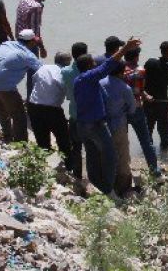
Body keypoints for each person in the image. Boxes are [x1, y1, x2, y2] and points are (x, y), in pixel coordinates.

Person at [73, 37, 140, 196]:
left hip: (82, 124)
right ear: (89, 66)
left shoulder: (79, 80)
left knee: (93, 157)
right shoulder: (89, 77)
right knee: (111, 157)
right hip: (95, 124)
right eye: (93, 63)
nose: (96, 64)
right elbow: (108, 65)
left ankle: (96, 187)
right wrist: (125, 48)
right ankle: (108, 190)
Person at [0, 29, 43, 143]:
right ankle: (21, 144)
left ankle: (7, 137)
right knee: (19, 115)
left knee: (1, 109)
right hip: (4, 88)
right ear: (32, 42)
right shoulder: (27, 55)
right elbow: (42, 71)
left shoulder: (5, 44)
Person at [121, 47, 162, 175]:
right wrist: (146, 96)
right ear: (135, 57)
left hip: (121, 110)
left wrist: (144, 94)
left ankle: (124, 167)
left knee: (123, 140)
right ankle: (154, 169)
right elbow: (138, 89)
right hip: (137, 108)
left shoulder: (119, 70)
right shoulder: (140, 71)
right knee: (146, 141)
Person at [27, 52, 73, 165]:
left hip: (33, 106)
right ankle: (68, 166)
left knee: (42, 138)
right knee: (64, 140)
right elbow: (69, 95)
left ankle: (45, 165)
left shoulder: (44, 67)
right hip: (52, 109)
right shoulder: (64, 73)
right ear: (67, 63)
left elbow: (34, 80)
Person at [100, 63, 136, 195]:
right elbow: (132, 109)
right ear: (121, 73)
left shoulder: (99, 83)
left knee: (106, 155)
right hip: (118, 125)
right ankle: (122, 188)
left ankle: (106, 184)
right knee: (123, 156)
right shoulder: (125, 88)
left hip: (102, 125)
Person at [16, 0, 49, 97]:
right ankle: (31, 100)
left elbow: (19, 22)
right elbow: (35, 32)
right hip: (30, 43)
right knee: (33, 72)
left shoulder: (24, 0)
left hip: (19, 40)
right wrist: (42, 48)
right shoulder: (36, 7)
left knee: (19, 71)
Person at [60, 42, 88, 179]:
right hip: (90, 117)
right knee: (92, 149)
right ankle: (94, 178)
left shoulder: (65, 72)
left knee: (76, 148)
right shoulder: (90, 73)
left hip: (74, 114)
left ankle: (78, 176)